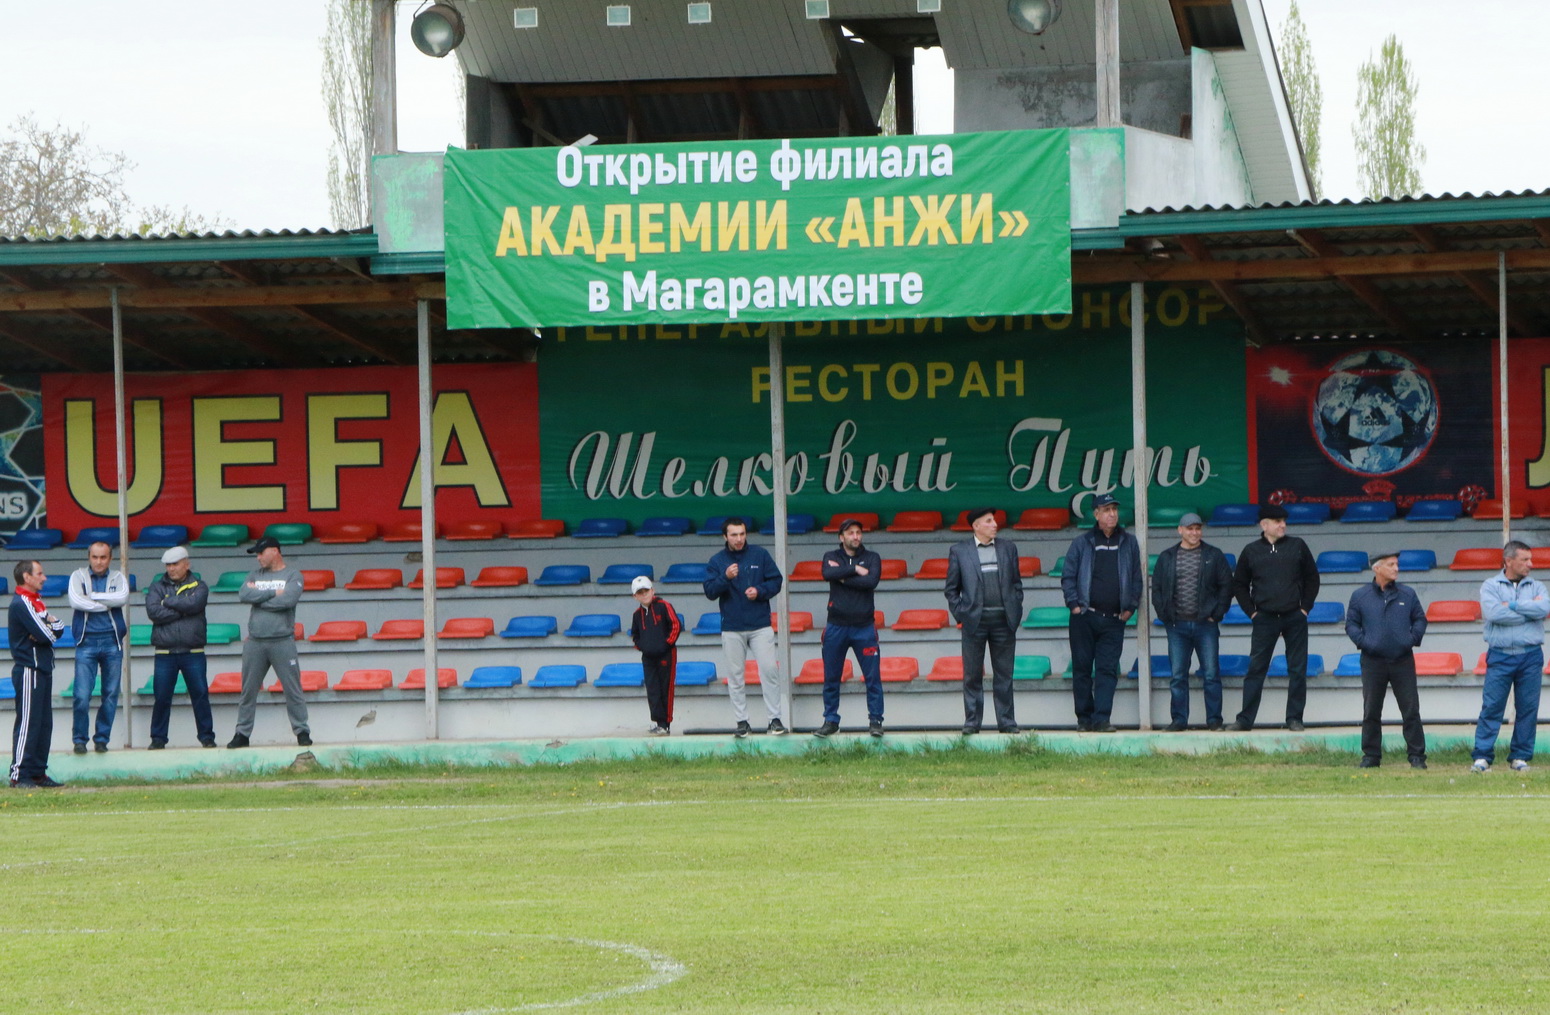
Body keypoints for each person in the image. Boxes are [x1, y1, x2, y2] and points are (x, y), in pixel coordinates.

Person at [1230, 504, 1320, 731]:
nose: (1283, 525)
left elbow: (1312, 578)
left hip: (1294, 617)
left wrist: (1305, 608)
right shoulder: (1251, 551)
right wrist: (1252, 612)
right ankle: (1245, 720)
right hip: (1264, 618)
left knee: (1297, 669)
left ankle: (1295, 718)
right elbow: (1239, 584)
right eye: (1278, 521)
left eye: (1284, 521)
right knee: (1256, 669)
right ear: (1264, 525)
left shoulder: (1298, 546)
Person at [1060, 493, 1141, 733]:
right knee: (1082, 669)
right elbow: (1068, 576)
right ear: (1096, 515)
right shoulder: (1082, 542)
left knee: (1107, 670)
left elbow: (1136, 577)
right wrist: (1074, 605)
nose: (1112, 514)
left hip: (1114, 619)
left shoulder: (1129, 542)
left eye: (1114, 509)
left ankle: (1102, 719)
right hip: (1084, 617)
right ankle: (1084, 719)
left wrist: (1130, 607)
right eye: (1106, 510)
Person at [703, 517, 787, 738]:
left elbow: (776, 581)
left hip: (760, 624)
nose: (739, 539)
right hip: (732, 626)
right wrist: (725, 577)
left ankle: (775, 719)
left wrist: (759, 591)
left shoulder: (760, 554)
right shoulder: (717, 561)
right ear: (725, 536)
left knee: (769, 670)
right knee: (735, 676)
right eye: (734, 535)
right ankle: (742, 722)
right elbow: (710, 591)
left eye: (742, 534)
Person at [1150, 512, 1234, 731]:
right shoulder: (1167, 557)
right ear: (1180, 530)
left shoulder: (1214, 555)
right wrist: (1164, 615)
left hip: (1206, 625)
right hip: (1176, 626)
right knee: (1178, 676)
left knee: (1211, 674)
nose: (1194, 532)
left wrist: (1217, 614)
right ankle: (1179, 720)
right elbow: (1156, 588)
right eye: (1190, 528)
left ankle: (1214, 721)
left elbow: (1227, 586)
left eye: (1198, 528)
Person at [1345, 551, 1428, 769]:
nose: (1396, 569)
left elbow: (1420, 620)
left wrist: (1410, 640)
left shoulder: (1407, 594)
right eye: (1391, 565)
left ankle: (1417, 756)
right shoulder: (1360, 596)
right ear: (1377, 568)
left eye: (1397, 564)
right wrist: (1365, 643)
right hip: (1372, 662)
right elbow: (1351, 624)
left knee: (1410, 710)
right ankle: (1371, 756)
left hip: (1402, 660)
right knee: (1371, 710)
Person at [945, 507, 1025, 734]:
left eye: (994, 520)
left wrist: (1016, 608)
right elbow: (951, 590)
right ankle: (972, 722)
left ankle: (1006, 722)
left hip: (1003, 621)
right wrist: (962, 614)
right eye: (988, 521)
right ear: (976, 526)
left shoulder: (1008, 548)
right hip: (974, 622)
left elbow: (1016, 584)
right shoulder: (959, 551)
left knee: (1004, 675)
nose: (994, 524)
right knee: (972, 675)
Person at [1471, 540, 1547, 773]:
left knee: (1528, 708)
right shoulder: (1490, 585)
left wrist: (1511, 605)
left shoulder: (1538, 586)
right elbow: (1494, 613)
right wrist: (1528, 612)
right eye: (1525, 560)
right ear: (1509, 561)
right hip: (1500, 655)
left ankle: (1520, 756)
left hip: (1531, 655)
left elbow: (1544, 609)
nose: (1530, 564)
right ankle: (1482, 756)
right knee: (1492, 706)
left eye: (1530, 559)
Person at [228, 536, 309, 748]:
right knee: (248, 691)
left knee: (292, 689)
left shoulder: (293, 575)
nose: (258, 557)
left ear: (275, 551)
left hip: (282, 641)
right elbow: (244, 594)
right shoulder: (255, 575)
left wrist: (259, 599)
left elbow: (288, 600)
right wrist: (273, 592)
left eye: (261, 553)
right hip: (255, 642)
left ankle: (302, 731)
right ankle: (242, 733)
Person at [814, 518, 884, 739]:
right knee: (831, 677)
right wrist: (855, 569)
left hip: (865, 627)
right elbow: (828, 574)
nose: (856, 536)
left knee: (872, 678)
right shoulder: (831, 556)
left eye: (858, 532)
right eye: (851, 533)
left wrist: (843, 577)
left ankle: (875, 721)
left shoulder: (872, 558)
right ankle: (831, 720)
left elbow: (871, 582)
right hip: (836, 626)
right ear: (841, 537)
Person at [143, 546, 216, 749]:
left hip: (193, 652)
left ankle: (207, 737)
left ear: (187, 564)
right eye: (168, 565)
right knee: (161, 698)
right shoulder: (156, 587)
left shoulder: (200, 586)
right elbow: (153, 612)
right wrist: (184, 609)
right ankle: (158, 739)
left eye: (175, 564)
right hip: (165, 652)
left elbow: (195, 605)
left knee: (200, 695)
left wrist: (167, 602)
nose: (171, 568)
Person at [67, 540, 129, 754]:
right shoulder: (77, 576)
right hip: (86, 642)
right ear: (89, 557)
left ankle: (102, 740)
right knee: (81, 695)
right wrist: (106, 602)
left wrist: (92, 597)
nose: (99, 561)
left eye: (103, 557)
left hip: (112, 642)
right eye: (95, 557)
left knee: (110, 694)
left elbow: (122, 598)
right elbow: (76, 601)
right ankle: (79, 740)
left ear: (110, 558)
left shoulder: (118, 577)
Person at [9, 560, 64, 788]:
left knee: (43, 724)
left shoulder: (36, 601)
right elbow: (47, 635)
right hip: (28, 670)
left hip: (42, 668)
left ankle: (37, 773)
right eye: (39, 574)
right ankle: (19, 774)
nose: (44, 578)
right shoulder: (22, 603)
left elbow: (58, 628)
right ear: (27, 577)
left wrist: (52, 626)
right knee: (28, 724)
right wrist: (49, 628)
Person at [629, 576, 682, 736]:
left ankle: (666, 724)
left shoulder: (664, 606)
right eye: (640, 592)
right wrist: (643, 648)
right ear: (635, 596)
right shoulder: (636, 615)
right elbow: (635, 635)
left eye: (646, 590)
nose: (644, 594)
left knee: (666, 688)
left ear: (653, 591)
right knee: (652, 690)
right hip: (648, 658)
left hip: (666, 655)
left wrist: (666, 645)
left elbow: (676, 625)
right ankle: (659, 723)